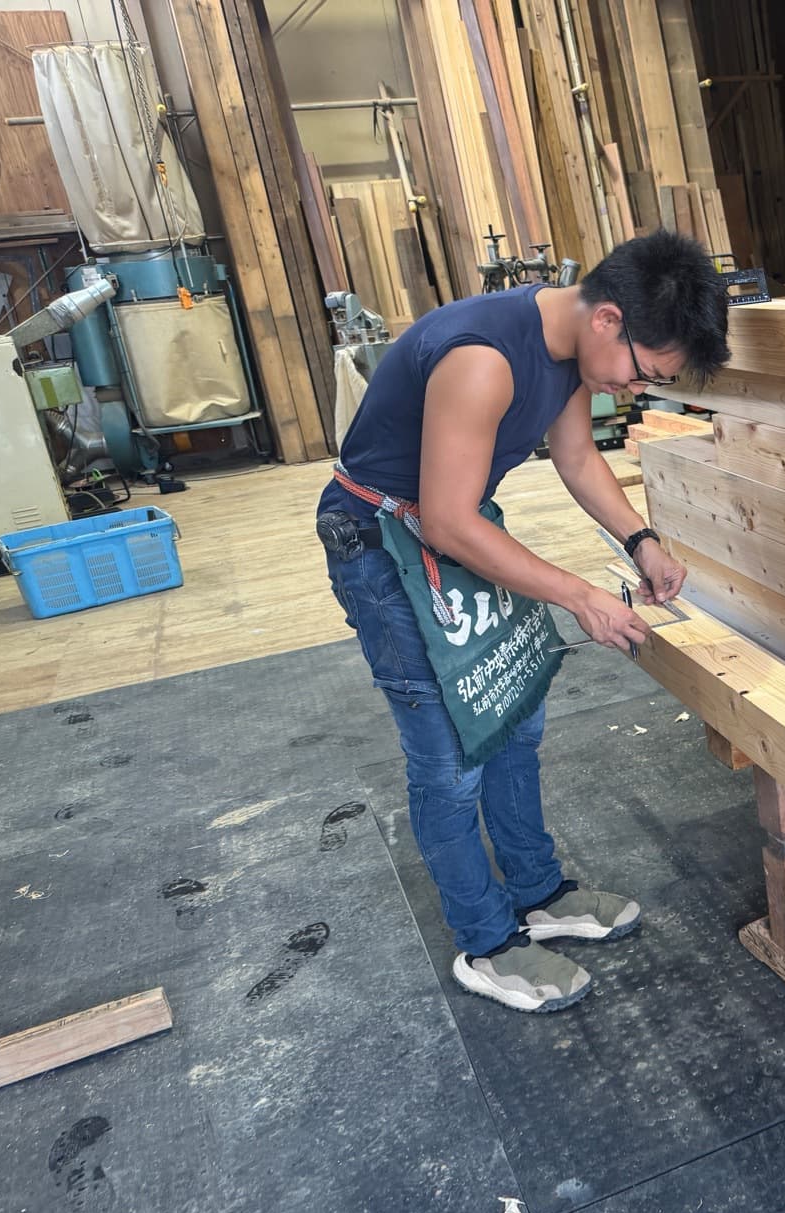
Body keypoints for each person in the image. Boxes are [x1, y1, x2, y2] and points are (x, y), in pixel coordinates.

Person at [315, 229, 731, 1013]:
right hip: (381, 540)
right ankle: (487, 942)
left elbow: (576, 458)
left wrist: (640, 540)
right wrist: (578, 594)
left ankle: (538, 894)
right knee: (448, 756)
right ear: (608, 318)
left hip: (454, 527)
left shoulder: (572, 346)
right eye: (646, 373)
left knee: (512, 712)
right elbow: (446, 521)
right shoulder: (483, 358)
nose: (637, 389)